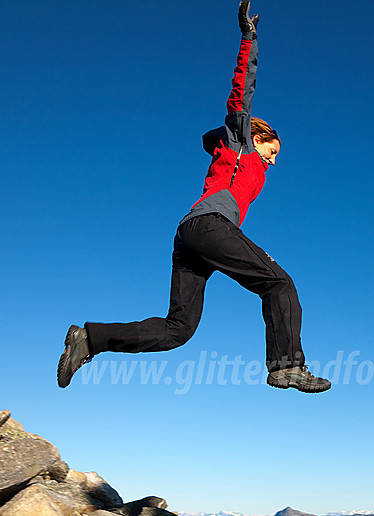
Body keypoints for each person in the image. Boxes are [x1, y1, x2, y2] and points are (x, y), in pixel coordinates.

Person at [57, 0, 331, 394]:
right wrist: (248, 39)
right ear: (259, 138)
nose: (272, 162)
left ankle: (90, 339)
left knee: (177, 330)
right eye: (272, 152)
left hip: (190, 236)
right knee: (279, 284)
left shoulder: (236, 156)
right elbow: (242, 92)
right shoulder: (241, 146)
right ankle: (287, 366)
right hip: (208, 227)